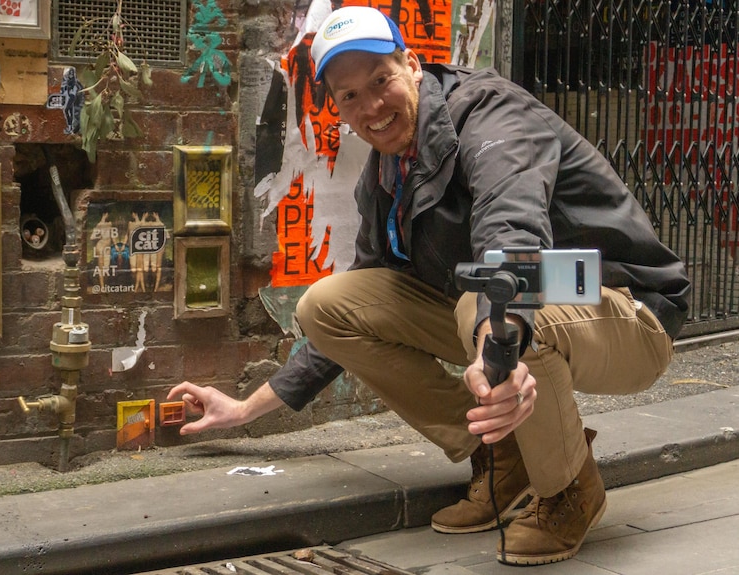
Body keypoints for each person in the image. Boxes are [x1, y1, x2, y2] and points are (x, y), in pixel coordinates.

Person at [168, 5, 690, 566]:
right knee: (328, 305)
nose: (371, 107)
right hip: (508, 307)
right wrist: (246, 409)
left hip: (623, 307)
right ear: (337, 109)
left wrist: (499, 346)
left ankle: (567, 490)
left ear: (412, 65)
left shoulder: (491, 115)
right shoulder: (387, 175)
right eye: (349, 96)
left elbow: (510, 227)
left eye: (380, 81)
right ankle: (503, 451)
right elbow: (359, 303)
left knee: (486, 297)